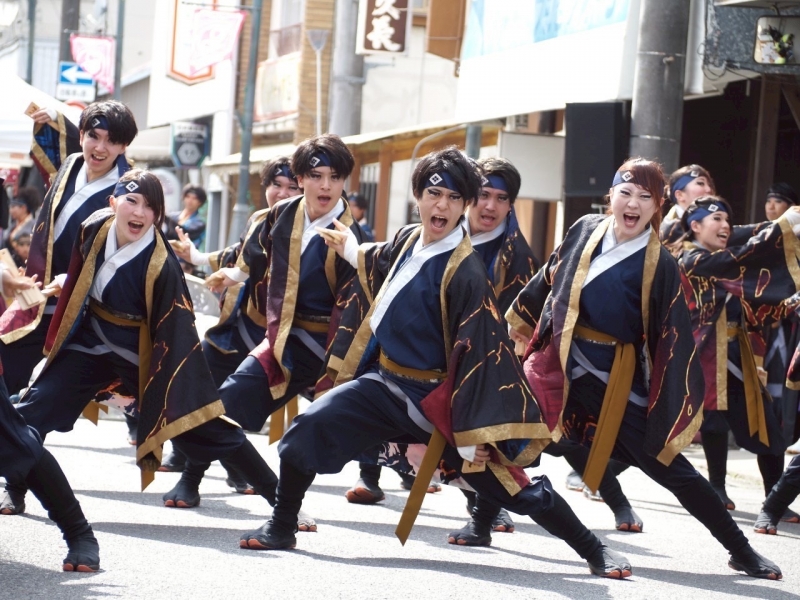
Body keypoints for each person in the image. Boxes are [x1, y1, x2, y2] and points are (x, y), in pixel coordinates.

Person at [237, 147, 633, 579]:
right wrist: (351, 248)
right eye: (434, 193)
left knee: (513, 487)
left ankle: (594, 549)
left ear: (465, 204)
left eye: (453, 197)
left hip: (439, 399)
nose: (441, 205)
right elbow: (381, 258)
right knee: (306, 430)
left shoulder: (466, 273)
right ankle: (282, 525)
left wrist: (471, 434)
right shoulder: (409, 237)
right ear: (418, 197)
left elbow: (482, 358)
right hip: (385, 384)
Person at [508, 158, 781, 579]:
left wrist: (667, 402)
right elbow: (548, 276)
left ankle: (741, 549)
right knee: (503, 437)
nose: (633, 203)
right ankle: (484, 520)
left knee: (672, 468)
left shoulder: (662, 264)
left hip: (614, 381)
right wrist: (519, 325)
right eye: (625, 193)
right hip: (557, 365)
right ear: (611, 196)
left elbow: (672, 338)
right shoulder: (584, 228)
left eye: (644, 197)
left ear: (658, 206)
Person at [2, 169, 282, 531]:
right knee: (33, 410)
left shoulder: (162, 265)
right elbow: (88, 272)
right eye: (131, 201)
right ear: (112, 202)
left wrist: (180, 389)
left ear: (158, 215)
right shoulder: (94, 226)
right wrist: (66, 281)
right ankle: (15, 487)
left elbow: (177, 331)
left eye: (150, 206)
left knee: (204, 423)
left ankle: (283, 504)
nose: (139, 212)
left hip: (144, 356)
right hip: (91, 344)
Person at [158, 134, 366, 522]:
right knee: (218, 411)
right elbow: (251, 254)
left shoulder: (354, 237)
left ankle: (479, 506)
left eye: (335, 177)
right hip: (278, 338)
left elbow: (364, 301)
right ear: (301, 178)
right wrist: (229, 273)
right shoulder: (280, 214)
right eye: (316, 176)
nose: (325, 186)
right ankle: (211, 483)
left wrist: (356, 256)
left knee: (311, 435)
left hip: (327, 350)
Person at [157, 157, 301, 495]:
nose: (282, 193)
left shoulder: (314, 231)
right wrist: (196, 257)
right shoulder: (259, 219)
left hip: (292, 340)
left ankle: (373, 476)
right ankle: (201, 468)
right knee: (192, 383)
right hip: (241, 327)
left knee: (228, 405)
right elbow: (239, 256)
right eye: (276, 185)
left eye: (292, 187)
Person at [0, 101, 137, 410]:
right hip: (36, 295)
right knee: (6, 365)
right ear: (82, 136)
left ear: (124, 146)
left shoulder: (130, 190)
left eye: (112, 141)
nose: (100, 148)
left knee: (45, 404)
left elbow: (130, 255)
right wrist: (54, 119)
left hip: (83, 310)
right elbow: (58, 143)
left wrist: (75, 278)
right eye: (94, 136)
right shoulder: (71, 164)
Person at [679, 197, 800, 518]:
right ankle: (716, 488)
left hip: (737, 353)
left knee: (766, 426)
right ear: (695, 226)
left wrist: (792, 301)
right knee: (702, 425)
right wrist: (779, 228)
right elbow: (735, 262)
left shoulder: (725, 260)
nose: (725, 226)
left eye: (727, 220)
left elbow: (758, 299)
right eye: (717, 219)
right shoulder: (691, 259)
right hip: (700, 355)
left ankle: (775, 497)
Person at [659, 164, 715, 245]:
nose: (709, 189)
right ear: (680, 195)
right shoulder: (672, 230)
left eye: (710, 185)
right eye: (700, 183)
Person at [3, 187, 39, 266]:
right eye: (10, 207)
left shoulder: (35, 225)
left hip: (28, 264)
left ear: (23, 208)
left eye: (13, 207)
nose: (10, 211)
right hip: (11, 263)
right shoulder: (12, 226)